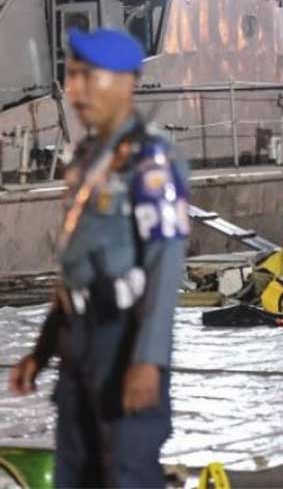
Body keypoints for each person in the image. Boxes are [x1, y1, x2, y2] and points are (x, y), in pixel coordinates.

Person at [7, 28, 190, 488]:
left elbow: (164, 263)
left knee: (127, 470)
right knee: (76, 471)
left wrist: (148, 359)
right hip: (79, 339)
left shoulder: (150, 160)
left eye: (90, 76)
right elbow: (76, 267)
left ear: (127, 83)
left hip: (122, 337)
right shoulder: (88, 158)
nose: (76, 90)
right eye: (72, 76)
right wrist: (43, 349)